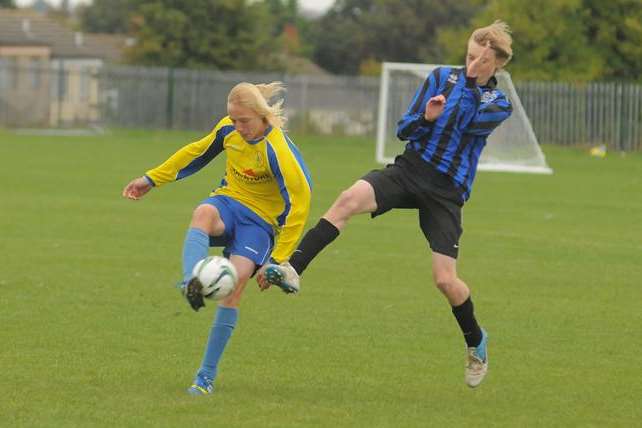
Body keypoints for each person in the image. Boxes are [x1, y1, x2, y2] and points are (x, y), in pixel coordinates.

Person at [258, 21, 514, 388]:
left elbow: (465, 121)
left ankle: (476, 341)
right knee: (347, 199)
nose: (472, 64)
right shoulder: (441, 77)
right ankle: (293, 269)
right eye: (470, 56)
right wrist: (425, 117)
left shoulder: (498, 103)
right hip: (410, 169)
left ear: (497, 66)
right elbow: (404, 129)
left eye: (482, 61)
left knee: (445, 280)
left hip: (446, 191)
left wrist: (467, 88)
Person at [122, 81, 312, 395]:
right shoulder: (229, 131)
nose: (238, 127)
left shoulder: (278, 151)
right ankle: (190, 282)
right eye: (233, 120)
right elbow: (195, 152)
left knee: (233, 289)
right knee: (202, 213)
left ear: (261, 115)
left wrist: (278, 259)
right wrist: (151, 179)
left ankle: (205, 377)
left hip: (260, 225)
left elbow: (299, 205)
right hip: (228, 202)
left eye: (244, 121)